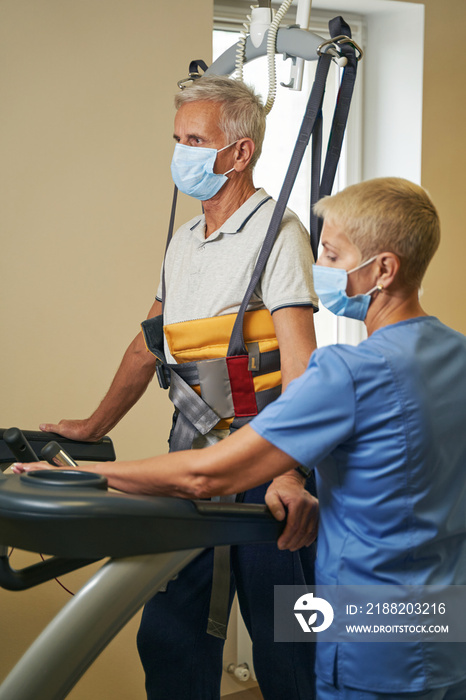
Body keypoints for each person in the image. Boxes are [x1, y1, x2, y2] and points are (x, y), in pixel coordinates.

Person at [17, 177, 466, 700]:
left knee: (286, 638)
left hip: (372, 646)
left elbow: (205, 473)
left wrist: (84, 474)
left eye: (330, 253)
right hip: (441, 626)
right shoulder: (454, 354)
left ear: (384, 269)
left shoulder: (349, 373)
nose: (317, 265)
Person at [38, 75, 320, 700]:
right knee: (171, 637)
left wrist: (290, 471)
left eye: (195, 139)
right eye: (178, 139)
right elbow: (148, 344)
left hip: (261, 460)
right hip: (188, 457)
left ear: (239, 153)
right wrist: (92, 426)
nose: (181, 154)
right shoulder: (184, 242)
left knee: (289, 648)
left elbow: (302, 363)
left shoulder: (279, 232)